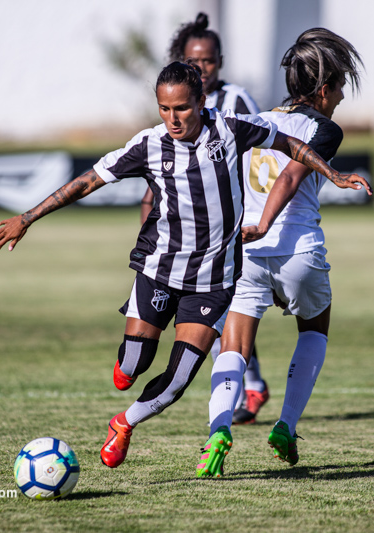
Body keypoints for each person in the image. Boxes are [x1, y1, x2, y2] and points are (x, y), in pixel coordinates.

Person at [0, 61, 371, 471]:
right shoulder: (149, 144)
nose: (173, 119)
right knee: (133, 366)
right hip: (160, 270)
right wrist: (28, 217)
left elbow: (290, 145)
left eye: (182, 109)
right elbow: (88, 181)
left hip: (213, 283)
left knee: (176, 382)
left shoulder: (229, 129)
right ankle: (128, 366)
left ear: (201, 102)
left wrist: (332, 175)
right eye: (164, 109)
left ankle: (123, 423)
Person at [195, 28, 365, 478]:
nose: (343, 97)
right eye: (342, 88)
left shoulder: (257, 122)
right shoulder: (324, 129)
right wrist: (269, 222)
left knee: (234, 343)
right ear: (324, 89)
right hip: (298, 252)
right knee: (315, 328)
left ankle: (217, 429)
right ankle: (286, 425)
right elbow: (291, 176)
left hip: (247, 250)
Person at [139, 12, 269, 425]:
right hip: (190, 236)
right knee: (220, 309)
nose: (202, 67)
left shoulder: (237, 102)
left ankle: (249, 385)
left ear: (220, 62)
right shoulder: (174, 111)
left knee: (233, 306)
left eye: (209, 61)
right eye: (194, 60)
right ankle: (251, 385)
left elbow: (266, 147)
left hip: (238, 224)